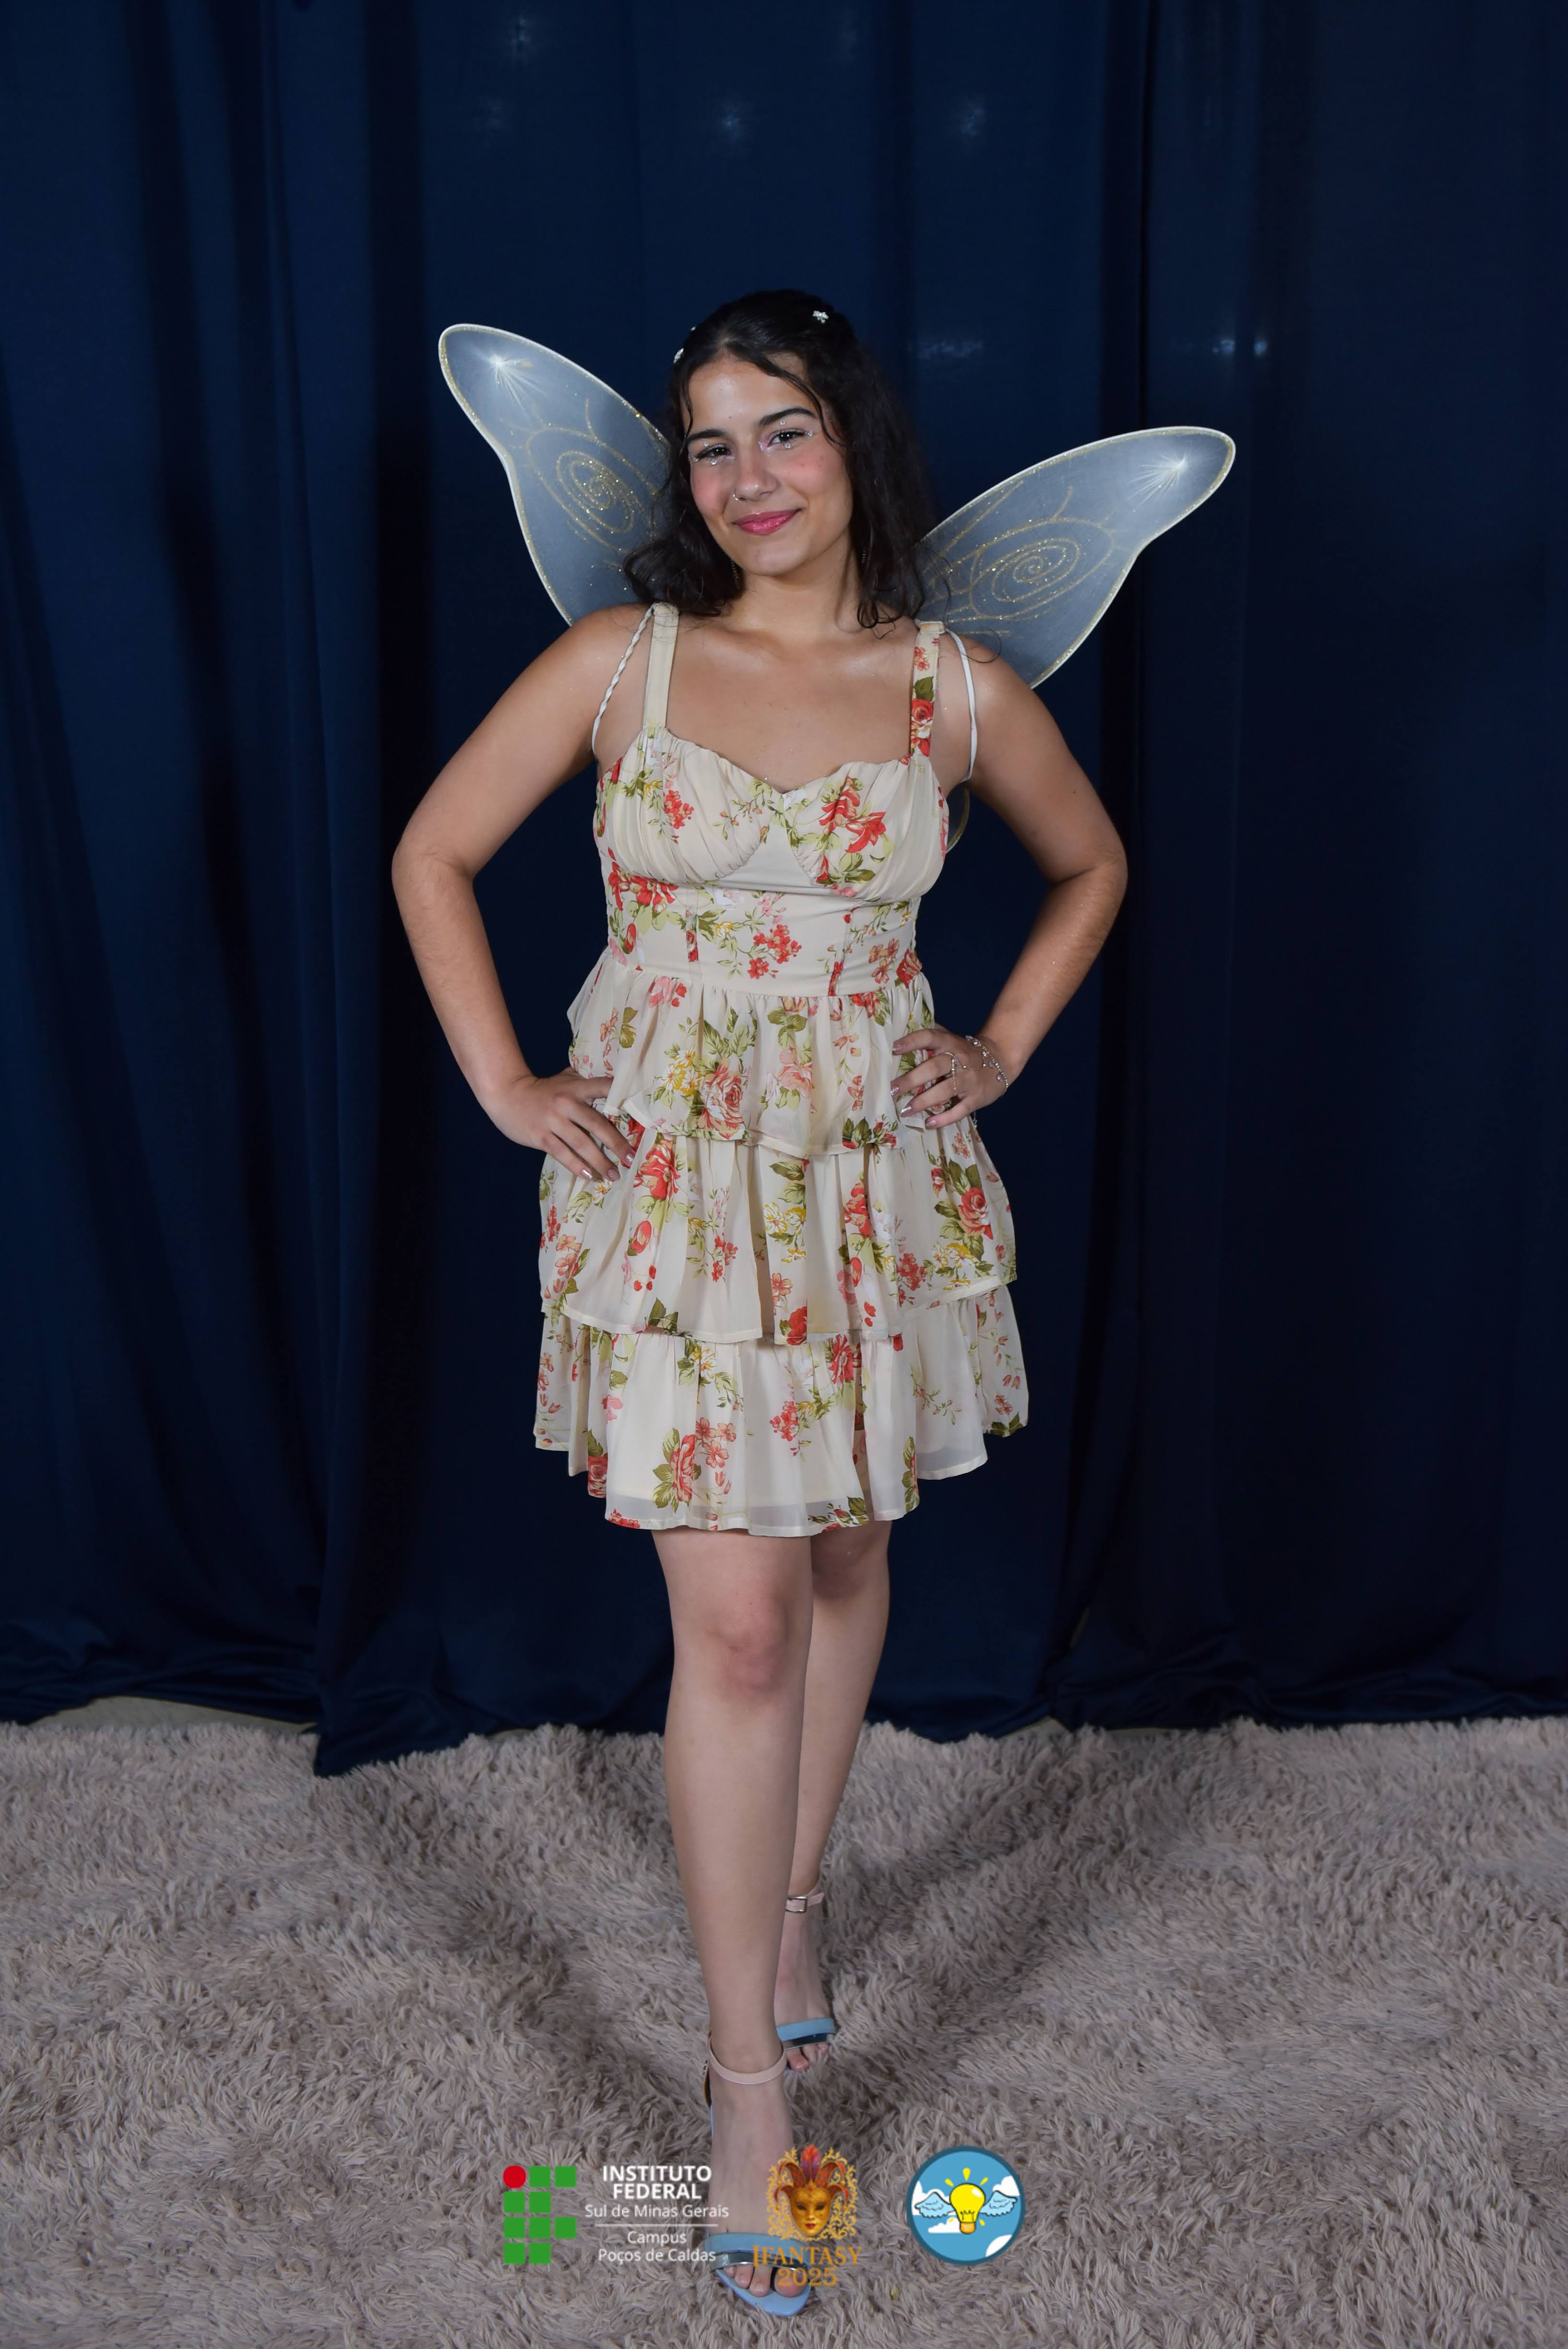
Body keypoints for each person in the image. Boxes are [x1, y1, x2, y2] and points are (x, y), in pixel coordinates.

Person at [392, 289, 1127, 2312]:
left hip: (871, 1191)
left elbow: (1090, 866)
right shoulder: (617, 664)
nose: (748, 478)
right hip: (677, 1212)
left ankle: (797, 1893)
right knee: (732, 1625)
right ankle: (746, 2099)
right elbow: (434, 854)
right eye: (711, 444)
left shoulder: (954, 690)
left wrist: (996, 1044)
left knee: (844, 1552)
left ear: (851, 442)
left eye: (783, 431)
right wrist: (509, 1084)